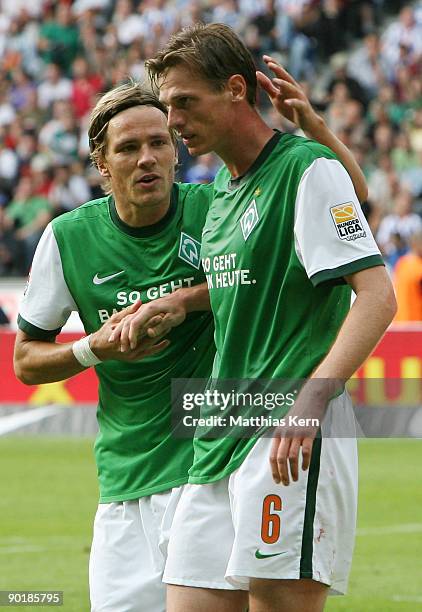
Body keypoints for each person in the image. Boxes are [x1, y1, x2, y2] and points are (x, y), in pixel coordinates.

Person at [14, 71, 369, 612]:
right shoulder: (68, 239)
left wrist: (182, 300)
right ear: (102, 165)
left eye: (159, 143)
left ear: (176, 152)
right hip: (126, 476)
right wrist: (94, 348)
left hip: (215, 462)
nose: (148, 158)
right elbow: (25, 360)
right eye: (129, 148)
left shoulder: (215, 209)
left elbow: (345, 204)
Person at [116, 23, 396, 612]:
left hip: (288, 430)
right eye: (169, 107)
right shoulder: (221, 190)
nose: (174, 122)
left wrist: (315, 398)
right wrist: (182, 300)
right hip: (218, 433)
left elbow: (377, 296)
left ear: (237, 90)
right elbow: (242, 281)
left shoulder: (303, 170)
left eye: (185, 103)